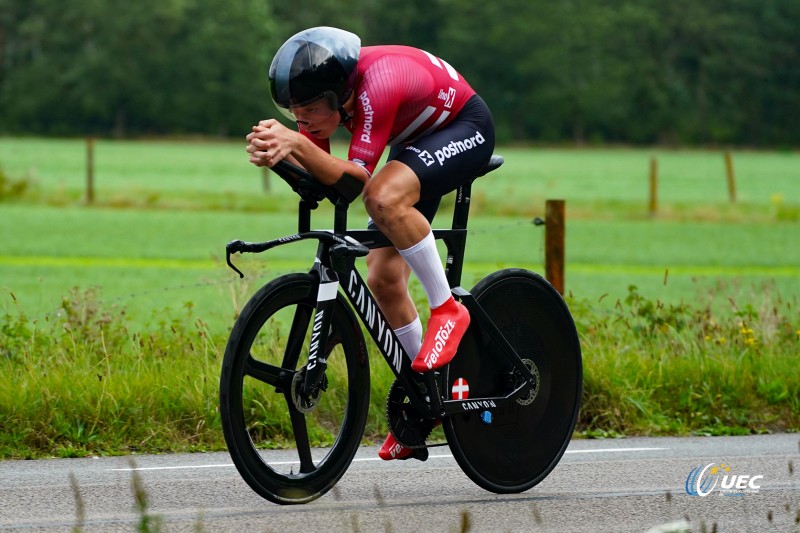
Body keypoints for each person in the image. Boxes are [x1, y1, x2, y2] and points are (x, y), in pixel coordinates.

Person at [245, 26, 495, 461]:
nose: (300, 123)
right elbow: (329, 184)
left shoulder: (373, 88)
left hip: (464, 126)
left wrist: (296, 145)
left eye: (306, 113)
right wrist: (281, 154)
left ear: (336, 96)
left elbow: (359, 181)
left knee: (383, 195)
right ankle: (427, 397)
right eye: (292, 114)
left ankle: (447, 308)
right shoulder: (326, 105)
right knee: (382, 276)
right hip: (419, 143)